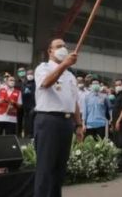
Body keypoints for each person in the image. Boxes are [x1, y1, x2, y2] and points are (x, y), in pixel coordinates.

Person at [34, 38, 84, 197]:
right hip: (48, 120)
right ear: (50, 51)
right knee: (46, 167)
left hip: (66, 122)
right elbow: (47, 83)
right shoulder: (43, 67)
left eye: (64, 46)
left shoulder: (70, 76)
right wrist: (64, 65)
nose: (63, 48)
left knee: (59, 168)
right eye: (59, 46)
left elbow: (74, 101)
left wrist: (78, 125)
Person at [22, 69, 36, 137]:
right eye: (28, 74)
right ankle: (26, 133)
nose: (30, 75)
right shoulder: (24, 83)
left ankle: (31, 133)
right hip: (26, 105)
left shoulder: (36, 83)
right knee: (26, 120)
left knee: (32, 118)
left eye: (31, 74)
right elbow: (22, 93)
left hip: (34, 104)